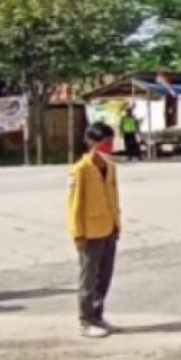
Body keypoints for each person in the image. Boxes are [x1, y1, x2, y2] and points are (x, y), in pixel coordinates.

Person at [68, 122, 121, 338]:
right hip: (89, 231)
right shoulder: (80, 170)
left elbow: (114, 198)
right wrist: (77, 233)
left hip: (109, 227)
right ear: (92, 142)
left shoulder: (110, 167)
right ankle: (85, 319)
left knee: (104, 276)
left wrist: (117, 225)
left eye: (110, 142)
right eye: (105, 142)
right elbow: (74, 205)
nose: (109, 146)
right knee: (88, 278)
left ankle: (98, 315)